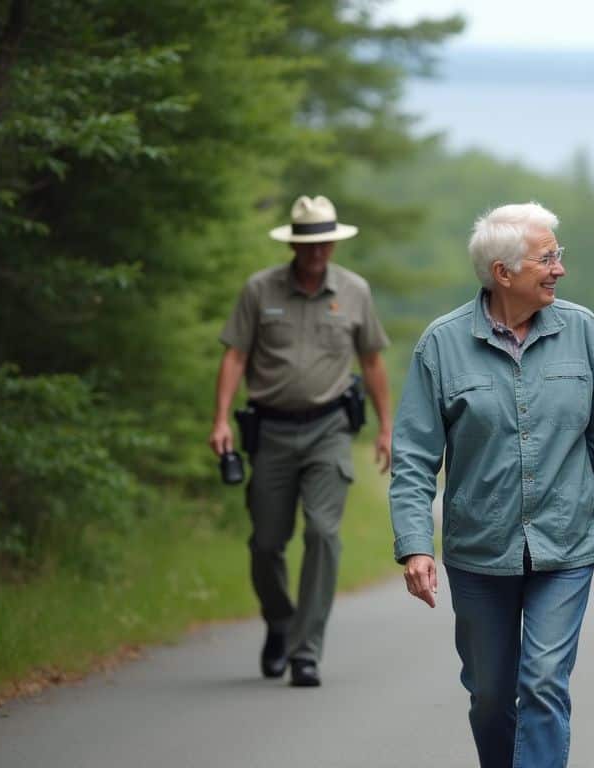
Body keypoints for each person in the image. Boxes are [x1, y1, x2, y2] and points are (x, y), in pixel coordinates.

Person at [389, 202, 594, 768]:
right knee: (490, 695)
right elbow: (413, 457)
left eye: (560, 255)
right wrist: (413, 544)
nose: (559, 269)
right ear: (503, 273)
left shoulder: (582, 330)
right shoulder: (441, 344)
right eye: (547, 258)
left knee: (545, 683)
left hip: (566, 542)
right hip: (480, 550)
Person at [208, 195, 392, 688]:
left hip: (328, 430)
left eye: (322, 242)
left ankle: (305, 651)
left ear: (333, 242)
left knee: (322, 533)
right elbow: (235, 357)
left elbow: (372, 362)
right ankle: (279, 620)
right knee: (266, 544)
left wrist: (387, 429)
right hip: (270, 430)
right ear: (294, 243)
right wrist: (221, 419)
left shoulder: (354, 292)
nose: (315, 251)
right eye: (306, 243)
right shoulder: (259, 290)